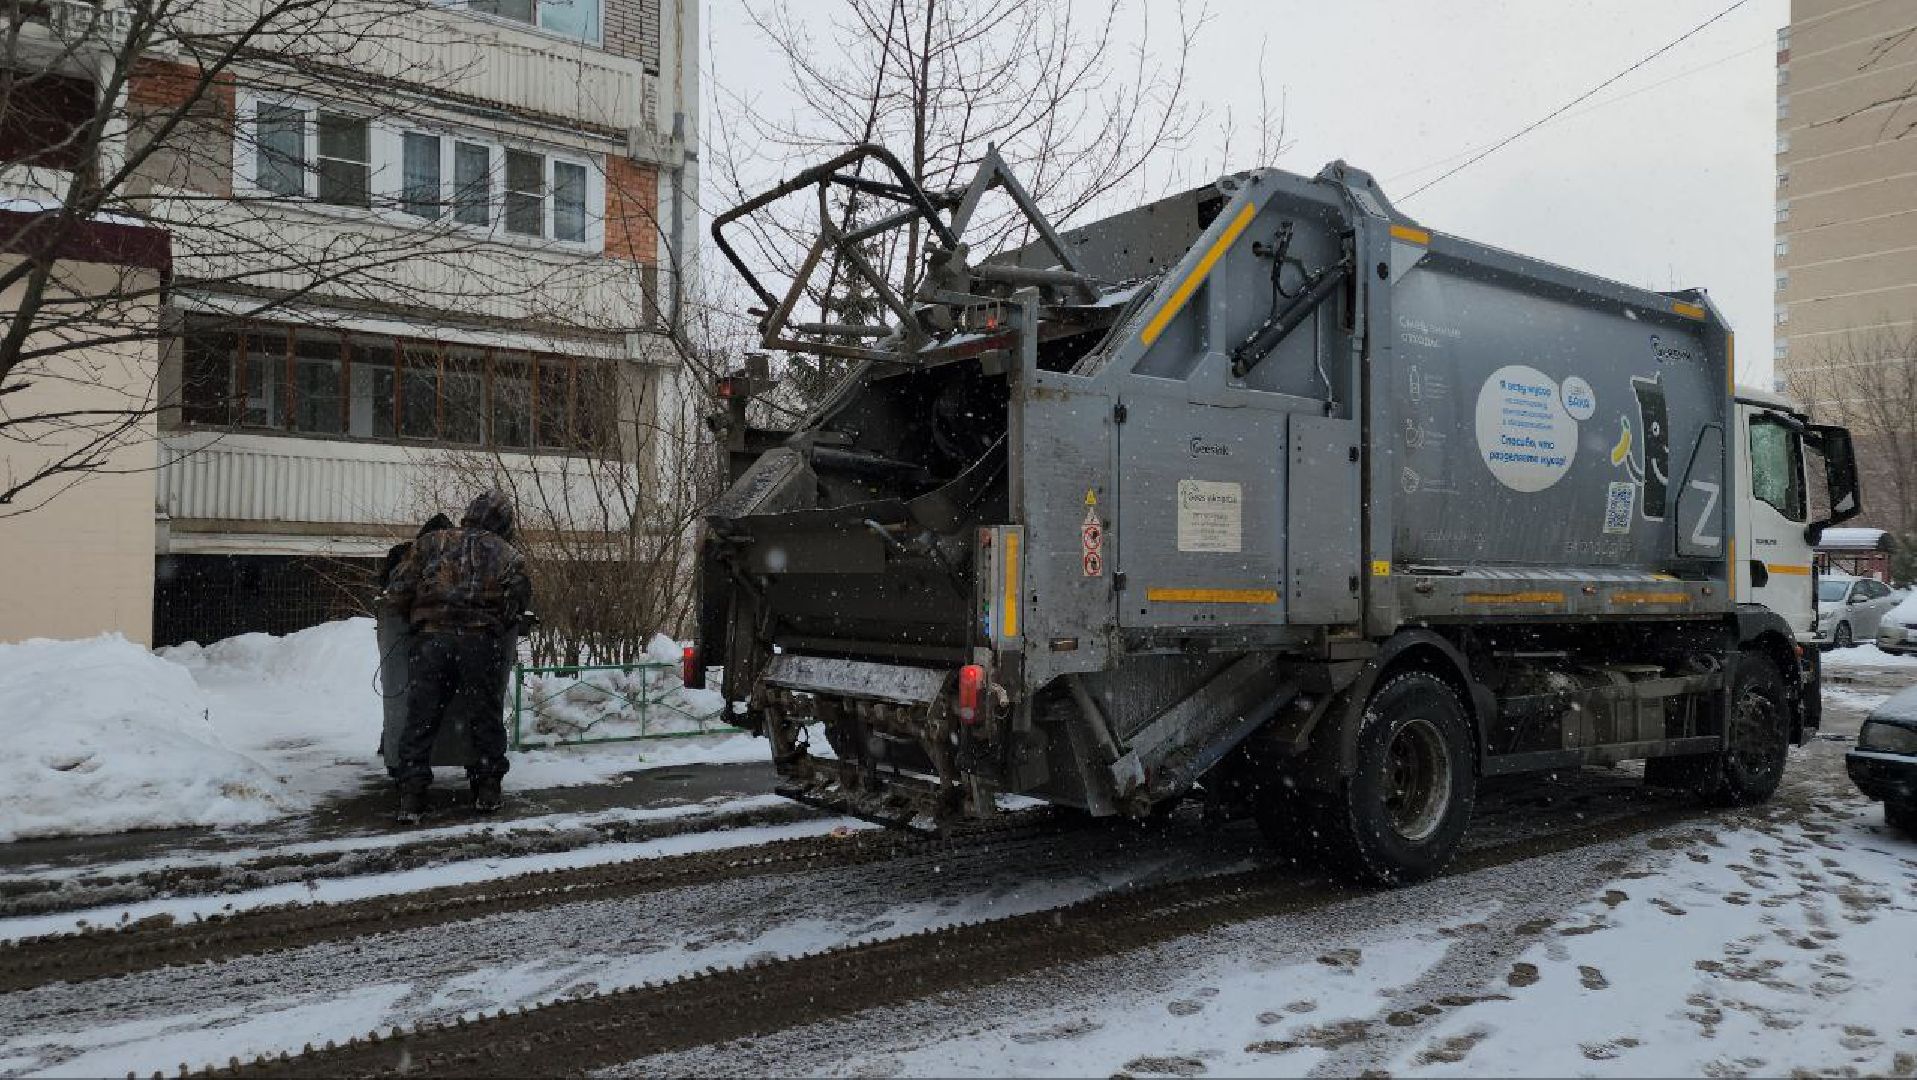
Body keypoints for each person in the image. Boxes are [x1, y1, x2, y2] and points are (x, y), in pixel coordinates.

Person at [385, 490, 532, 823]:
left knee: (421, 716)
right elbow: (515, 606)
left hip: (431, 642)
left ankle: (412, 794)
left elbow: (397, 591)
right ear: (504, 522)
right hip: (480, 645)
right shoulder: (508, 555)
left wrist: (420, 616)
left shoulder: (431, 543)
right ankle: (487, 788)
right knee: (484, 714)